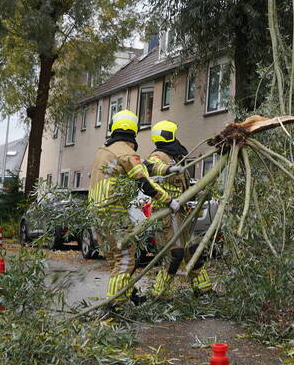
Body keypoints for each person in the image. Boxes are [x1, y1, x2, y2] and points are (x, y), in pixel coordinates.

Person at [88, 109, 184, 302]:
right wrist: (169, 200)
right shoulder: (127, 153)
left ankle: (130, 295)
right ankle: (115, 304)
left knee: (116, 260)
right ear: (134, 131)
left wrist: (168, 170)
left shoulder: (103, 151)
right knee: (125, 260)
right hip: (114, 213)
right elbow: (144, 182)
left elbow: (146, 167)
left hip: (95, 213)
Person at [145, 120, 213, 296]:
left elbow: (184, 186)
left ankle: (203, 290)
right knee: (174, 255)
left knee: (194, 250)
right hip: (166, 213)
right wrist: (168, 170)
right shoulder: (158, 156)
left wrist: (200, 192)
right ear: (169, 136)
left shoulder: (175, 158)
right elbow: (149, 167)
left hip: (181, 212)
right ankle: (160, 294)